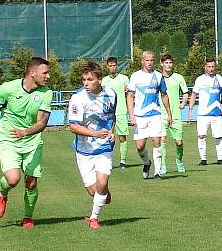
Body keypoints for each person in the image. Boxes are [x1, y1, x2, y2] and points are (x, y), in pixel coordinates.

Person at [0, 57, 53, 228]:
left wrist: (25, 132)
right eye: (45, 72)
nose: (48, 76)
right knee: (13, 179)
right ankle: (2, 193)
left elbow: (42, 123)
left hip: (32, 142)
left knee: (31, 182)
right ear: (32, 72)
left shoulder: (46, 93)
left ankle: (27, 217)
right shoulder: (8, 88)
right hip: (8, 140)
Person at [67, 61, 117, 229]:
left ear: (100, 80)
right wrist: (95, 133)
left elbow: (111, 117)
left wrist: (111, 132)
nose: (86, 83)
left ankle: (94, 218)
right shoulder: (78, 98)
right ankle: (102, 193)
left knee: (101, 183)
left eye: (90, 80)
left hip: (104, 147)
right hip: (84, 150)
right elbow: (73, 126)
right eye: (83, 80)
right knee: (94, 190)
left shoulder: (111, 94)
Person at [127, 51, 172, 181]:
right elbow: (129, 97)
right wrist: (131, 115)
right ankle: (147, 163)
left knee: (157, 141)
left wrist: (169, 114)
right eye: (147, 60)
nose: (150, 63)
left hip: (155, 115)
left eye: (152, 60)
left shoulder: (158, 76)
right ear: (142, 61)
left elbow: (164, 95)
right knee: (140, 147)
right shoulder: (135, 76)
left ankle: (157, 172)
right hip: (140, 116)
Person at [188, 57, 222, 166]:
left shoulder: (220, 79)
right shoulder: (200, 80)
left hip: (216, 114)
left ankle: (220, 159)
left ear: (215, 67)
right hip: (202, 114)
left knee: (219, 136)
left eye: (213, 67)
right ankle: (203, 160)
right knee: (201, 136)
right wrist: (190, 110)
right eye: (209, 67)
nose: (211, 69)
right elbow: (193, 95)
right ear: (205, 67)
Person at [159, 54, 189, 174]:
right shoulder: (157, 78)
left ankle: (179, 160)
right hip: (161, 114)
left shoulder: (178, 77)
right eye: (166, 63)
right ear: (161, 64)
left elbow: (186, 92)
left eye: (170, 63)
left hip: (176, 115)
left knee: (179, 142)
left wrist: (183, 103)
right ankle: (163, 165)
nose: (168, 65)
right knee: (162, 140)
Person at [102, 57, 131, 169]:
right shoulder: (104, 81)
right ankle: (108, 160)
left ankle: (122, 161)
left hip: (121, 112)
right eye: (110, 65)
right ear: (107, 67)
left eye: (114, 65)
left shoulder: (124, 79)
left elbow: (129, 93)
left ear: (117, 66)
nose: (112, 67)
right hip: (108, 114)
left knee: (122, 137)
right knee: (108, 137)